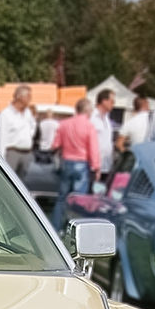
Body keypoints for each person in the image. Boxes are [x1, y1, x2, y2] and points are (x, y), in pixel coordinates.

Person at [51, 97, 100, 230]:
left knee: (62, 198)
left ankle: (55, 228)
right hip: (81, 163)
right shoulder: (89, 126)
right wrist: (96, 167)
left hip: (67, 162)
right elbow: (93, 149)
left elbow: (55, 144)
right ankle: (75, 228)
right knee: (79, 200)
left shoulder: (64, 124)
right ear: (87, 111)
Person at [0, 85, 37, 179]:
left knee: (23, 185)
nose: (30, 99)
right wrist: (0, 160)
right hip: (12, 153)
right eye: (28, 96)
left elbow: (32, 127)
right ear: (19, 97)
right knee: (8, 181)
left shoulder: (27, 113)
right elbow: (1, 138)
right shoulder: (6, 115)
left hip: (26, 153)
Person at [90, 88, 116, 181]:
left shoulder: (107, 119)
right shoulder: (92, 117)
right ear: (104, 101)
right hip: (94, 166)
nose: (113, 104)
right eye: (112, 101)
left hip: (106, 164)